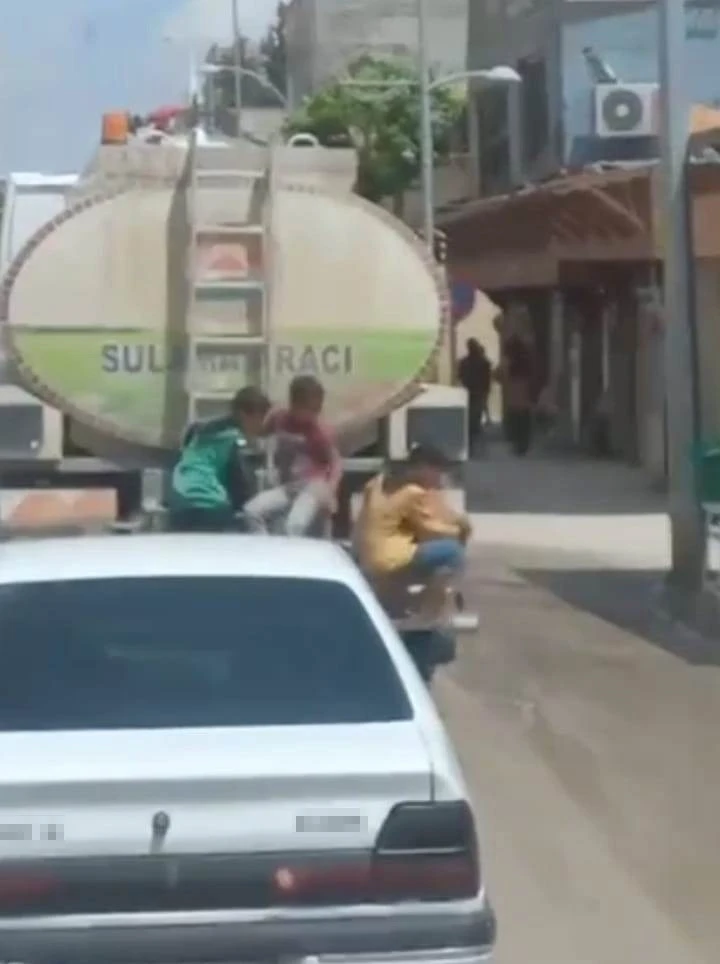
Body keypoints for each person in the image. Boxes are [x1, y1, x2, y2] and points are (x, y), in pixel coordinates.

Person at [355, 443, 472, 582]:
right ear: (424, 468)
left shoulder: (375, 484)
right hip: (387, 558)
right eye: (438, 471)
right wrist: (460, 531)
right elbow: (429, 529)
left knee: (429, 550)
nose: (439, 478)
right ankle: (441, 599)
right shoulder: (411, 492)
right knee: (453, 550)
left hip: (365, 556)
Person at [244, 374, 342, 536]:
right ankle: (264, 549)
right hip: (289, 486)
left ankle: (292, 558)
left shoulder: (320, 430)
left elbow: (335, 463)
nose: (313, 414)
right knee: (251, 511)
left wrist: (331, 492)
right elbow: (261, 432)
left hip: (313, 486)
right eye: (309, 409)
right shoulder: (279, 419)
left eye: (316, 409)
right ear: (294, 404)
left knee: (294, 525)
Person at [168, 386, 270, 532]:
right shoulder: (234, 439)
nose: (262, 426)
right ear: (244, 415)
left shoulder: (198, 430)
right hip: (209, 504)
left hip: (180, 501)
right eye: (260, 419)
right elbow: (240, 485)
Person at [496, 335, 535, 457]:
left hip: (513, 392)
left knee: (516, 419)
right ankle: (523, 445)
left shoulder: (509, 360)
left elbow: (500, 374)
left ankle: (518, 444)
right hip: (525, 393)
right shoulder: (527, 359)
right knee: (524, 420)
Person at [458, 338, 492, 450]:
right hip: (476, 391)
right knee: (474, 416)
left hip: (471, 391)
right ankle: (473, 440)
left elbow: (460, 376)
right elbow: (487, 379)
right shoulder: (484, 362)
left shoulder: (465, 362)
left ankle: (471, 441)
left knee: (472, 416)